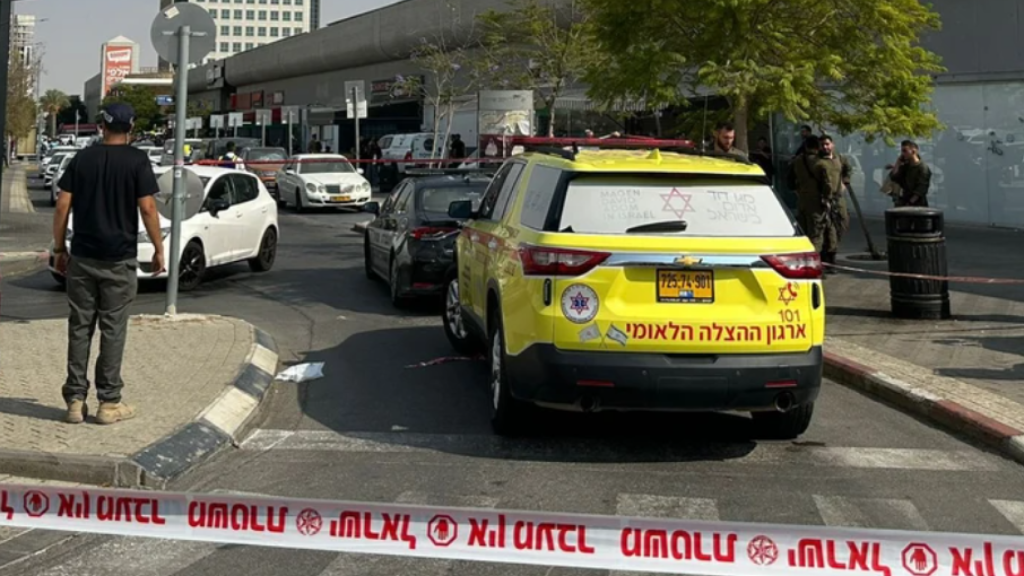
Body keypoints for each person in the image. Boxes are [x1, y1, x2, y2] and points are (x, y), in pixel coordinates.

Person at [52, 103, 166, 425]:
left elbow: (62, 206)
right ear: (130, 129)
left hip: (83, 257)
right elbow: (147, 209)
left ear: (102, 126)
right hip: (119, 260)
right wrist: (158, 249)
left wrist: (60, 248)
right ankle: (109, 403)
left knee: (79, 328)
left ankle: (75, 401)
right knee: (113, 330)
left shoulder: (82, 159)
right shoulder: (137, 161)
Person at [789, 136, 841, 260]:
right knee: (816, 235)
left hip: (802, 201)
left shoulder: (797, 161)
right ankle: (815, 264)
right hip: (817, 203)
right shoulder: (821, 164)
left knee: (803, 234)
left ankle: (803, 261)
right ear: (817, 147)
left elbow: (790, 182)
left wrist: (799, 191)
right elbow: (827, 185)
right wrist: (827, 199)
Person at [819, 135, 853, 268]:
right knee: (828, 228)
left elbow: (848, 169)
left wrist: (845, 182)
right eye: (822, 145)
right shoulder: (818, 161)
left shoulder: (838, 157)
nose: (825, 147)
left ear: (832, 144)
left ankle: (832, 248)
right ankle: (829, 256)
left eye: (827, 144)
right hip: (825, 199)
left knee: (843, 221)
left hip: (838, 197)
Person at [890, 140, 932, 207]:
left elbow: (921, 189)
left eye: (905, 151)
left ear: (913, 151)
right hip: (904, 200)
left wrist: (910, 203)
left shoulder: (923, 168)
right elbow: (894, 178)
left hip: (917, 204)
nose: (903, 153)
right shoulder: (906, 166)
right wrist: (898, 163)